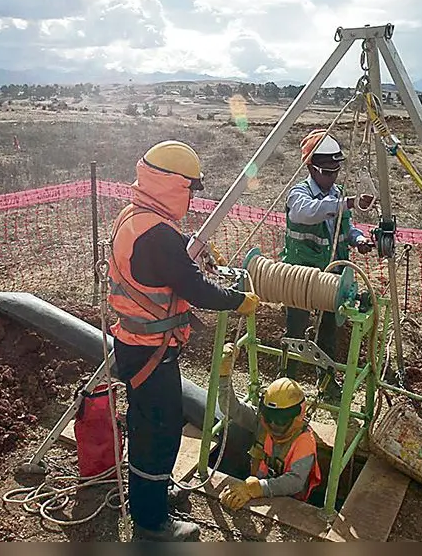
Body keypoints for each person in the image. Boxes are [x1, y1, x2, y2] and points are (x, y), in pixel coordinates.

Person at [106, 139, 260, 542]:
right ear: (174, 187)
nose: (192, 198)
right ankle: (152, 523)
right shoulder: (160, 236)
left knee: (148, 426)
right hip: (151, 353)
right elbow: (197, 290)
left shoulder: (133, 216)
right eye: (190, 189)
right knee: (159, 432)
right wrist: (238, 300)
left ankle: (152, 495)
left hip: (134, 344)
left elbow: (172, 271)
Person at [279, 129, 375, 395]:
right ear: (311, 167)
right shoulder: (298, 194)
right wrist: (349, 202)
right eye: (327, 172)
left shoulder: (337, 193)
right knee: (295, 331)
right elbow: (308, 213)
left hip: (333, 277)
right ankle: (286, 384)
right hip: (300, 276)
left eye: (336, 171)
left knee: (328, 333)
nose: (332, 177)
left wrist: (358, 239)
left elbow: (346, 226)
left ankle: (327, 382)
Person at [215, 343, 322, 511]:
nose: (273, 425)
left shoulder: (304, 441)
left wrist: (256, 489)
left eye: (281, 421)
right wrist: (224, 376)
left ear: (298, 416)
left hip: (290, 503)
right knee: (234, 429)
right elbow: (232, 410)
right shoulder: (263, 420)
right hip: (258, 484)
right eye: (270, 418)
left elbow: (294, 481)